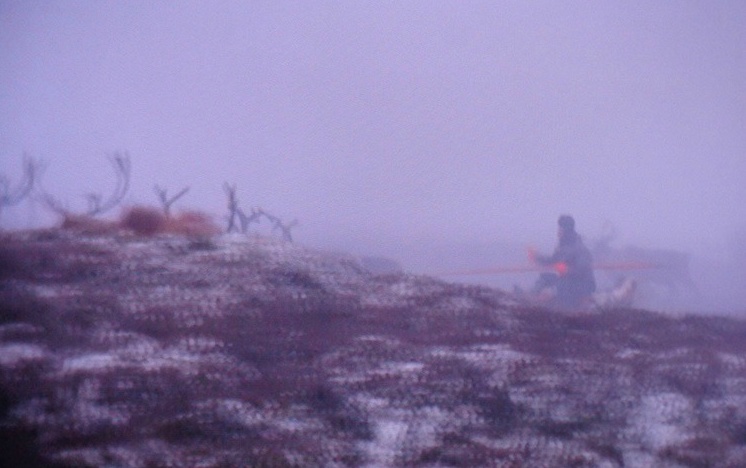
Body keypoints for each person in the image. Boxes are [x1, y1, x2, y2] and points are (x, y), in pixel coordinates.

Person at [528, 215, 596, 309]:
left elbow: (583, 270)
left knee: (560, 285)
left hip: (582, 284)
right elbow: (552, 260)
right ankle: (529, 300)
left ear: (567, 231)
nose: (558, 232)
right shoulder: (563, 246)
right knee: (545, 278)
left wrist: (566, 270)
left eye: (560, 229)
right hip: (568, 280)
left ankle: (561, 309)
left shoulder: (579, 248)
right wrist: (536, 257)